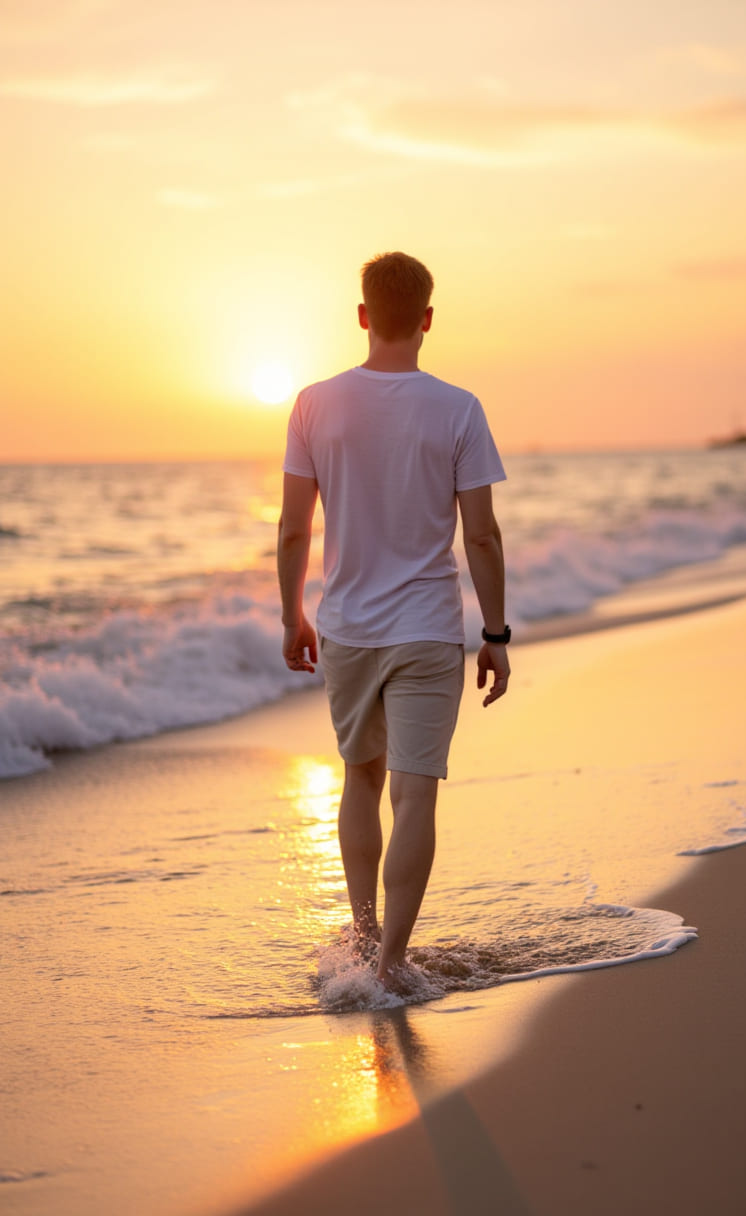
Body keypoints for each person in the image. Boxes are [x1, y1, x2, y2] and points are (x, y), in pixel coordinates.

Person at [277, 251, 510, 988]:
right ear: (428, 321)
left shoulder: (315, 403)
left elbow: (292, 529)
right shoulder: (458, 408)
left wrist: (293, 617)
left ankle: (363, 937)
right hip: (429, 628)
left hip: (346, 626)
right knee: (416, 794)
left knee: (360, 777)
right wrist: (496, 634)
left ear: (364, 316)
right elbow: (481, 535)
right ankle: (391, 962)